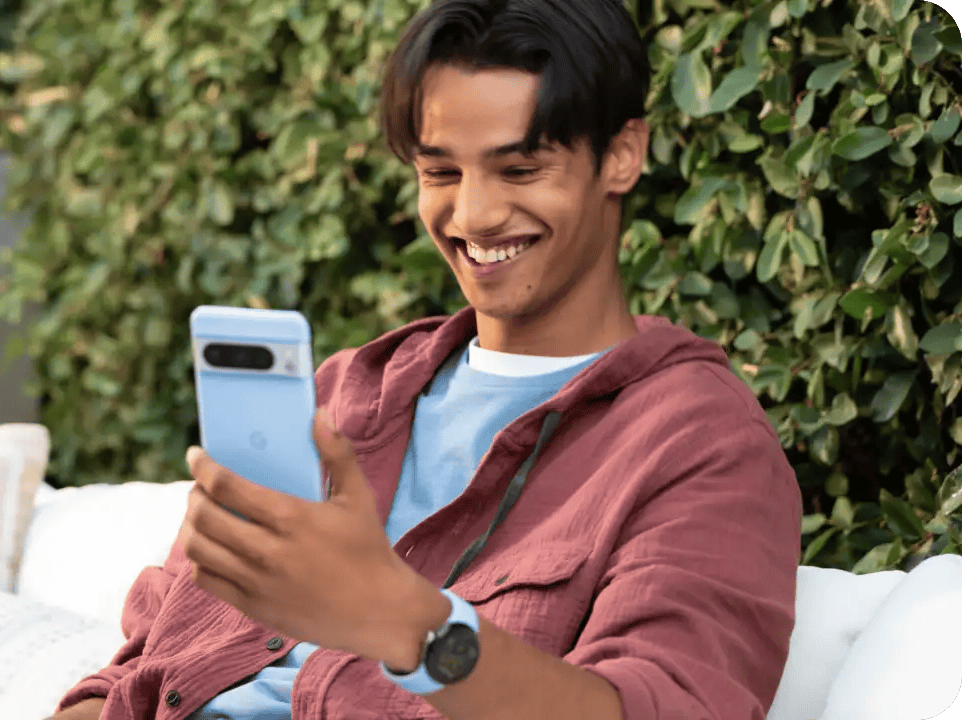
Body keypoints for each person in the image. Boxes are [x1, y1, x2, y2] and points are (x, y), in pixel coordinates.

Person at [50, 0, 803, 717]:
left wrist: (403, 620)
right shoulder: (340, 395)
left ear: (622, 155)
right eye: (440, 173)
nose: (472, 215)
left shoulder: (699, 446)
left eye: (519, 169)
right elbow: (142, 665)